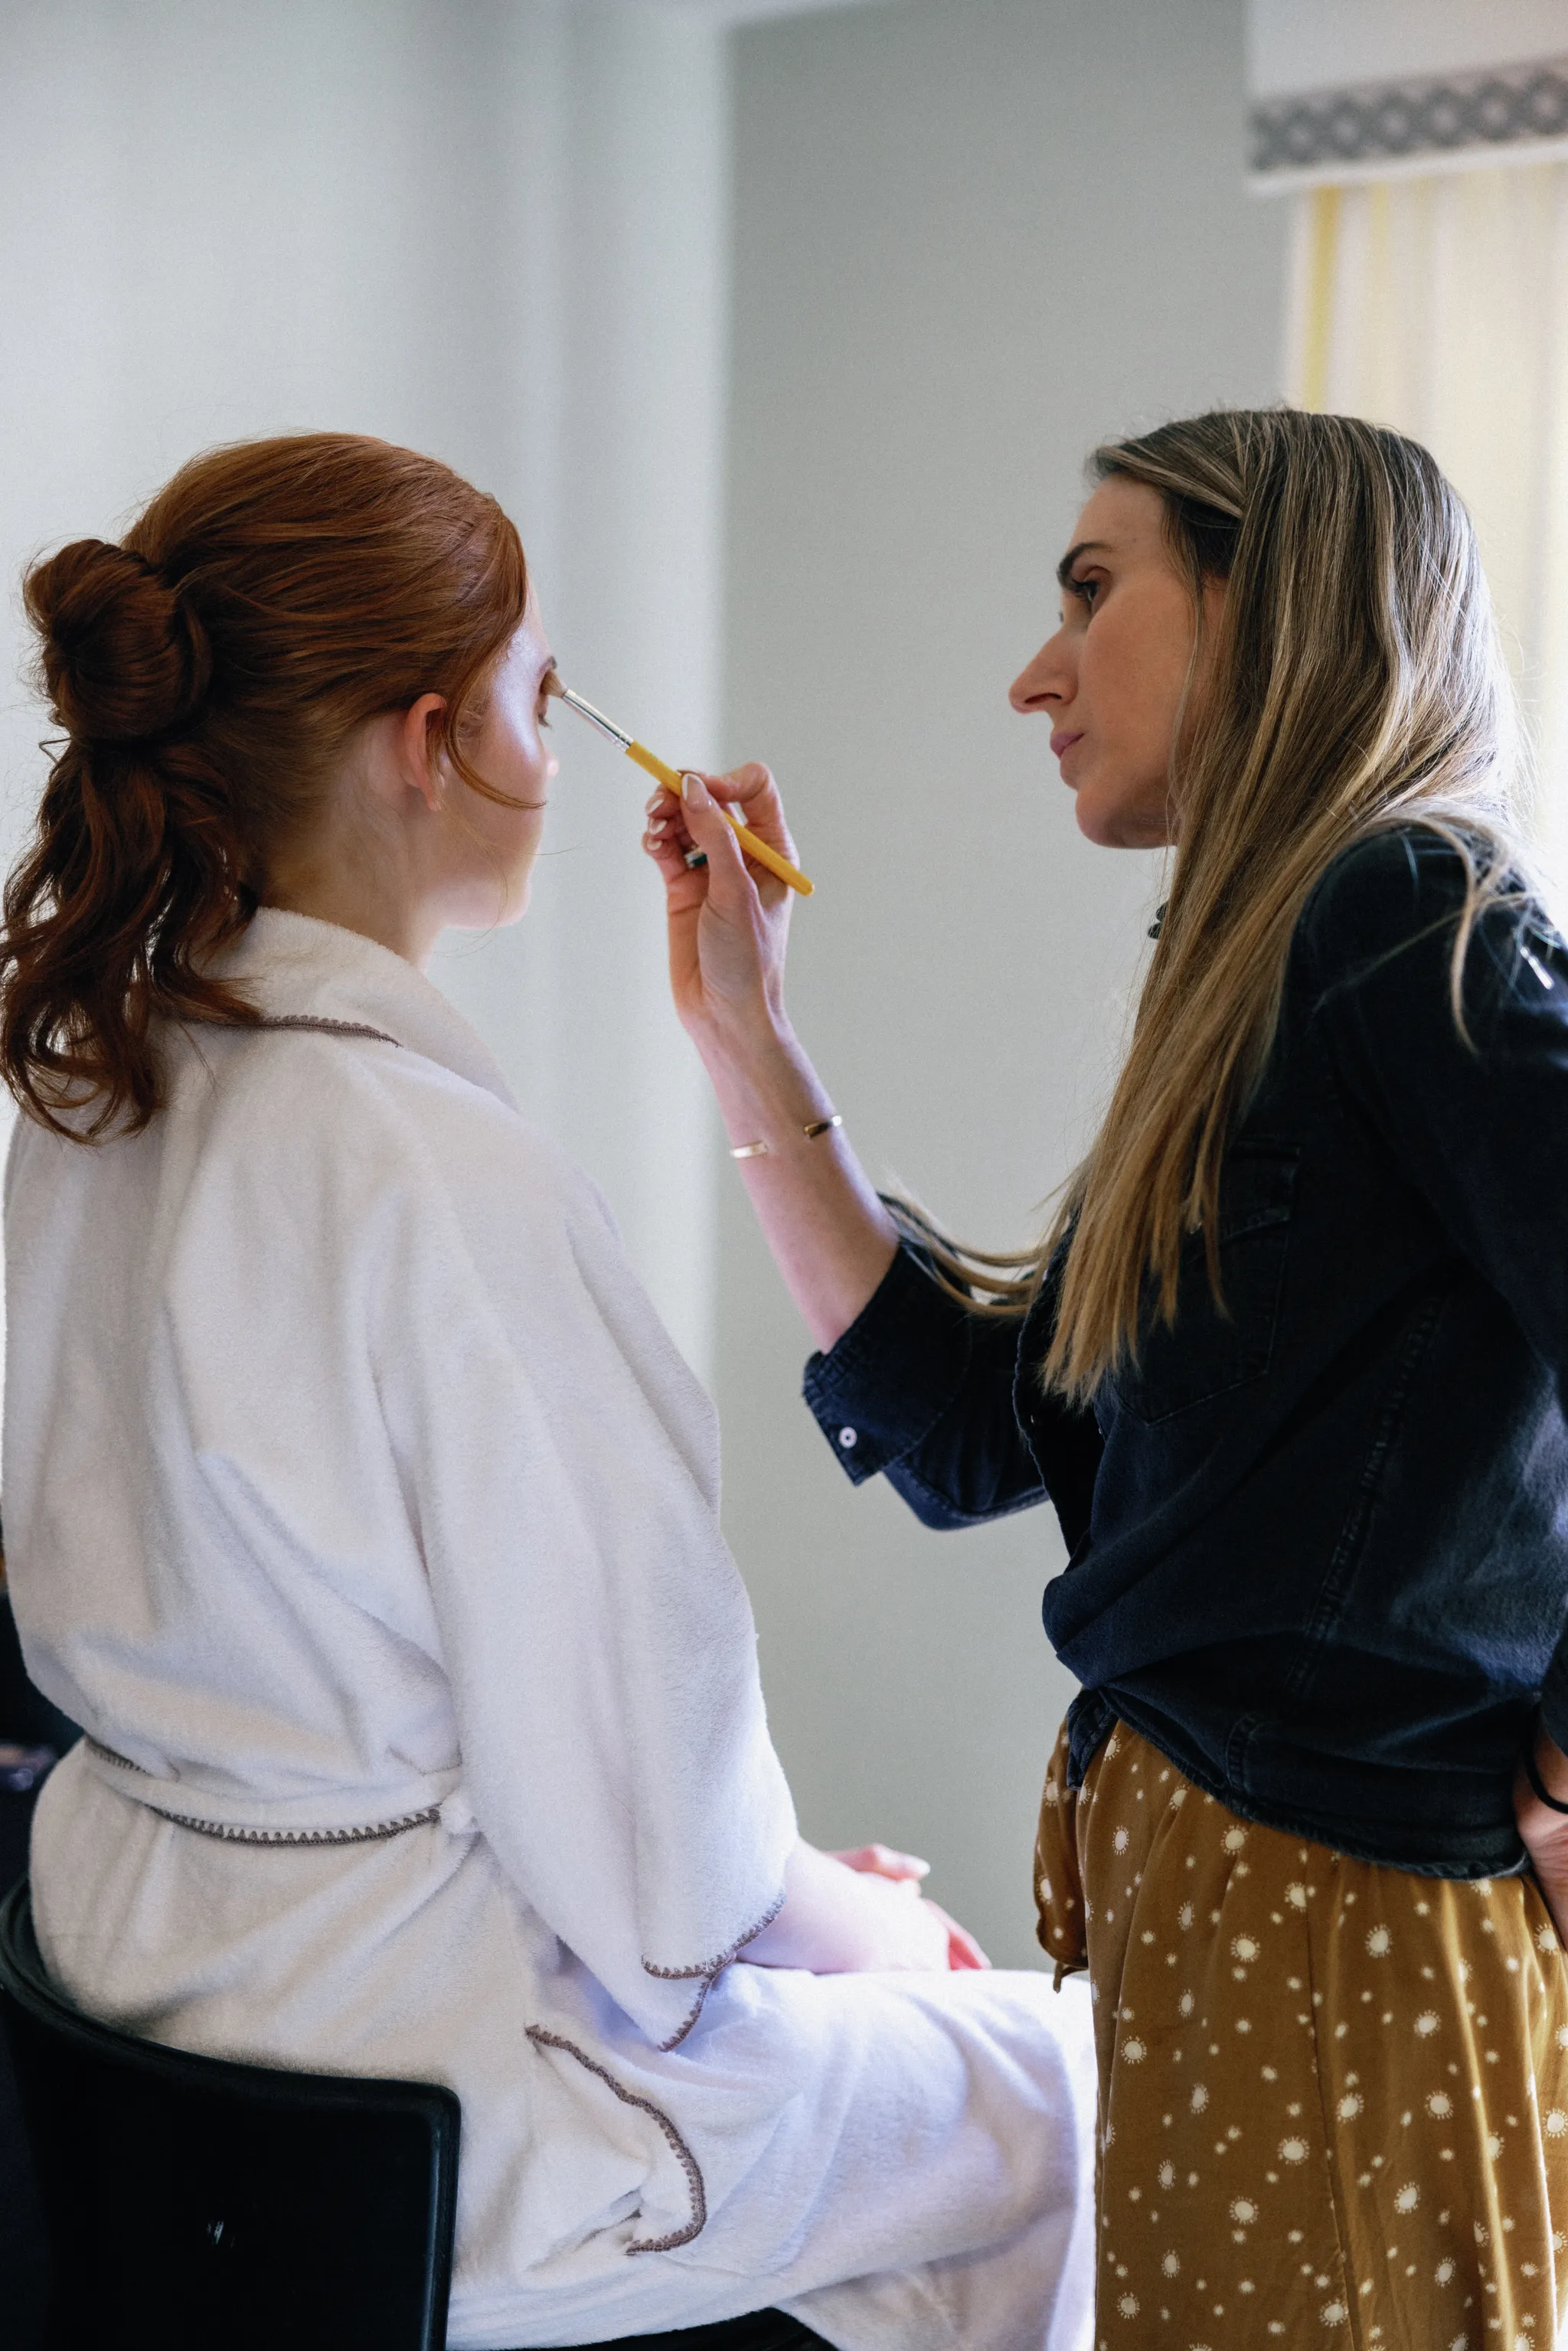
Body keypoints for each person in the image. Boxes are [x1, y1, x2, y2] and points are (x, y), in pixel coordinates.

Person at [0, 433, 1096, 2351]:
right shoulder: (438, 1175)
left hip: (143, 1990)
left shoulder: (96, 1093)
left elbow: (402, 1694)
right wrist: (850, 1922)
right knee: (1070, 2085)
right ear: (429, 743)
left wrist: (764, 1894)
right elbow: (668, 1867)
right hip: (431, 2094)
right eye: (541, 694)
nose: (566, 748)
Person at [644, 406, 1568, 2346]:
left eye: (1089, 590)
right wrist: (745, 1032)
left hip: (1330, 1912)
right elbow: (973, 1428)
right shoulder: (1262, 972)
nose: (1034, 674)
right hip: (1229, 1908)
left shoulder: (1397, 910)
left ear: (1261, 602)